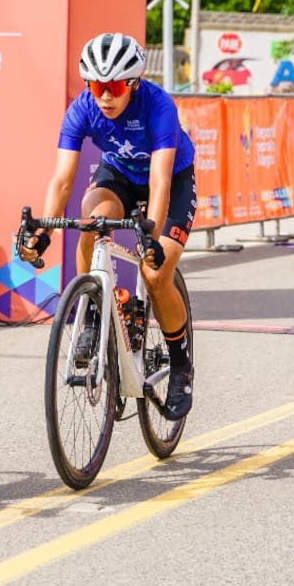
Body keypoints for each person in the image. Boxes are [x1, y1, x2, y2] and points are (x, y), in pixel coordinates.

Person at [17, 32, 197, 420]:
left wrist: (151, 238)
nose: (104, 97)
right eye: (96, 86)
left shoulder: (158, 106)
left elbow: (160, 181)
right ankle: (94, 314)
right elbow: (62, 181)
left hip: (171, 180)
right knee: (91, 221)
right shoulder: (82, 109)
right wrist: (45, 233)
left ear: (133, 83)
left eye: (113, 87)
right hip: (119, 175)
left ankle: (181, 366)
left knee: (155, 274)